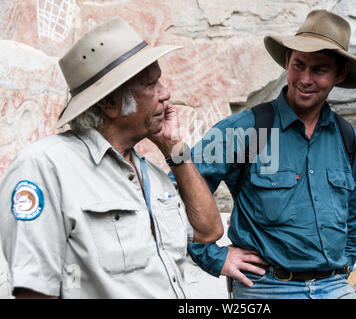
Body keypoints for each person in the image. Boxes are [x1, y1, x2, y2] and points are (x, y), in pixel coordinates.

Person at [0, 16, 223, 299]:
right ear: (110, 103)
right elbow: (35, 292)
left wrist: (174, 149)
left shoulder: (150, 174)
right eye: (151, 84)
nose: (166, 94)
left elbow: (208, 231)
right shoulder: (44, 167)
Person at [187, 10, 356, 299]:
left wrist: (344, 268)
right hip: (267, 288)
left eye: (319, 70)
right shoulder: (247, 128)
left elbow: (353, 216)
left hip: (334, 286)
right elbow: (179, 188)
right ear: (287, 61)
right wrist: (211, 256)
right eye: (298, 65)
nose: (305, 79)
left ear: (340, 73)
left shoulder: (346, 136)